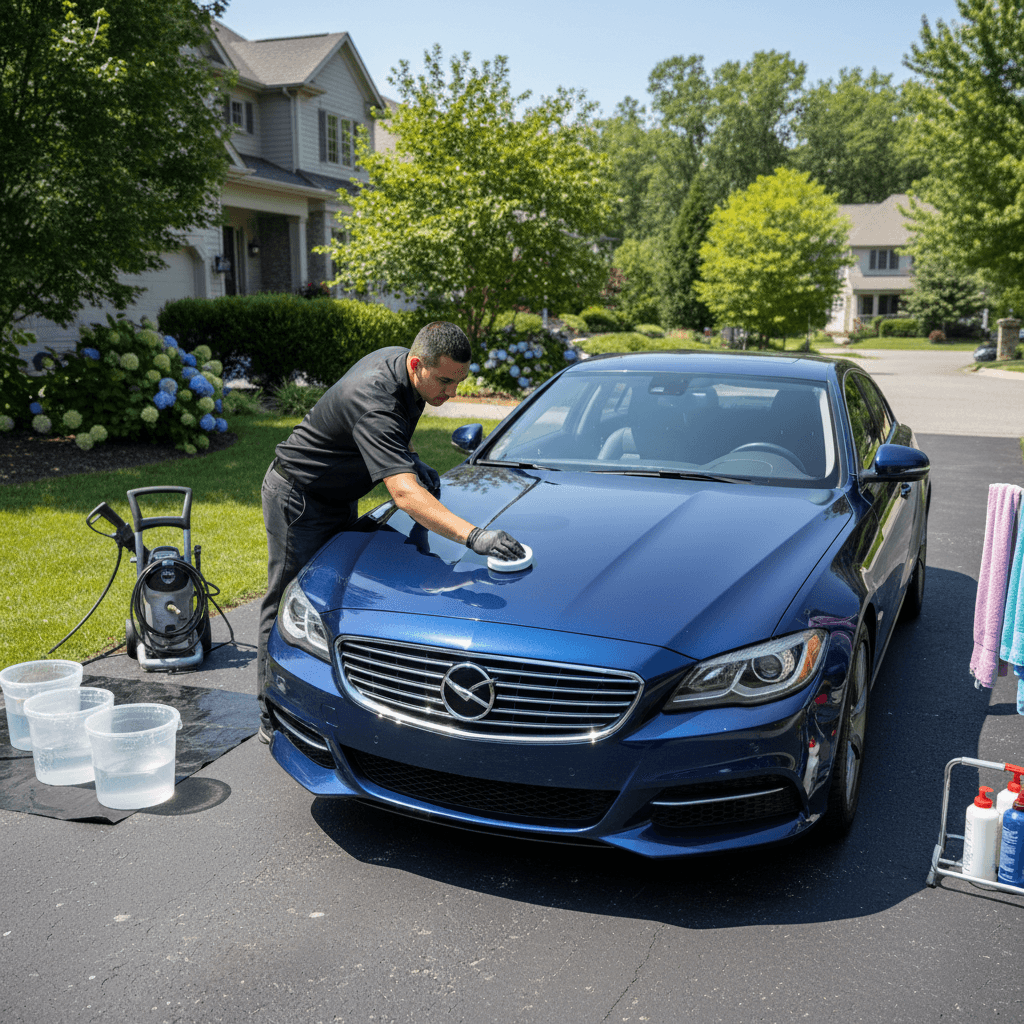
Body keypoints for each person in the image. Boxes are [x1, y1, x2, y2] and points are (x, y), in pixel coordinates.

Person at [257, 321, 525, 737]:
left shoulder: (412, 375)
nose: (452, 393)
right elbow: (403, 494)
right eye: (446, 382)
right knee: (292, 601)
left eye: (460, 382)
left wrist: (411, 458)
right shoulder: (375, 396)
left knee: (338, 595)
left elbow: (396, 437)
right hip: (298, 496)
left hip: (335, 494)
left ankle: (347, 693)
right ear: (417, 364)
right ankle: (271, 712)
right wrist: (477, 537)